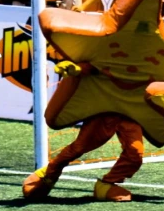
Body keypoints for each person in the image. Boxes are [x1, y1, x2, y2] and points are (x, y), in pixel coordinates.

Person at [23, 61, 144, 202]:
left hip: (128, 109)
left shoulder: (145, 53)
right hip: (103, 108)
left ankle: (106, 185)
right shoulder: (107, 50)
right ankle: (49, 174)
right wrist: (78, 69)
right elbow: (95, 61)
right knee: (80, 147)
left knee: (135, 153)